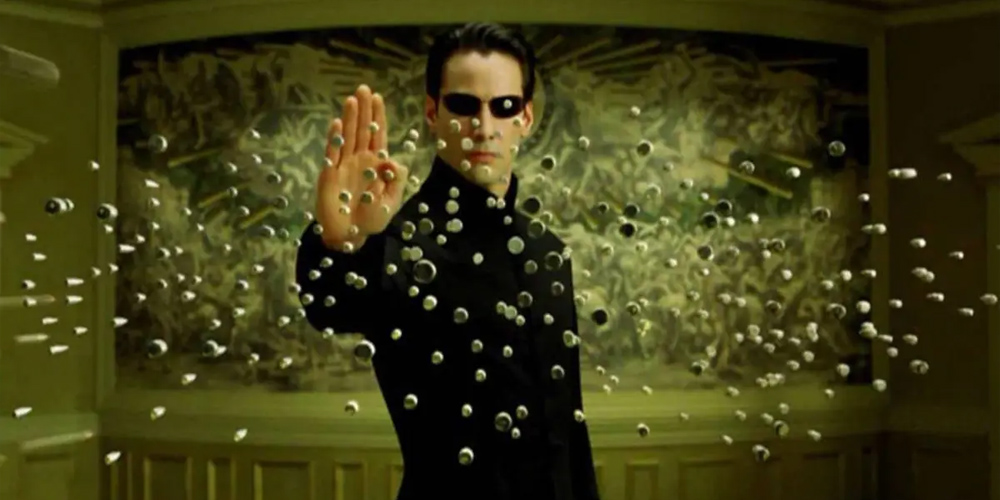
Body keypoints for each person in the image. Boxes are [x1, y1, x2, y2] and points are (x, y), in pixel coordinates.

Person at [296, 22, 600, 500]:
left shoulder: (548, 252)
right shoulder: (398, 243)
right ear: (433, 113)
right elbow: (332, 305)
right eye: (463, 105)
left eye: (504, 107)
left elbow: (569, 433)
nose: (484, 126)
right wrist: (342, 243)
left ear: (526, 118)